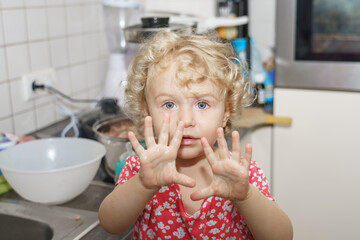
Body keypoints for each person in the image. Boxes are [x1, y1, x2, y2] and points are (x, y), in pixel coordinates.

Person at [99, 30, 293, 240]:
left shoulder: (240, 174)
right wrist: (143, 185)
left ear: (225, 112)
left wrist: (245, 197)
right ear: (147, 111)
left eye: (202, 104)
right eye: (169, 104)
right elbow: (111, 224)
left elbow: (282, 236)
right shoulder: (143, 168)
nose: (185, 120)